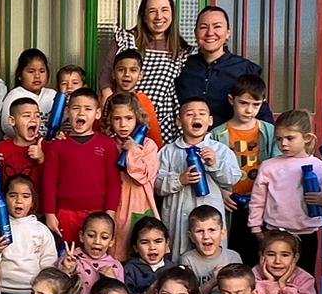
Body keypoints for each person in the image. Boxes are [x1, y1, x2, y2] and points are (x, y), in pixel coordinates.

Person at [157, 97, 241, 261]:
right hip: (178, 215)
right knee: (178, 255)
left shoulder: (220, 150)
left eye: (202, 114)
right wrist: (179, 180)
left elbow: (232, 178)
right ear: (179, 121)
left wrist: (214, 164)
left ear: (210, 121)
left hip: (210, 216)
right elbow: (157, 184)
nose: (196, 117)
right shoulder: (168, 151)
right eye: (189, 114)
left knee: (212, 254)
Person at [248, 109, 322, 271]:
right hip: (275, 232)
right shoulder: (269, 166)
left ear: (307, 138)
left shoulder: (319, 166)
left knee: (305, 276)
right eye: (279, 139)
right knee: (273, 274)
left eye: (290, 138)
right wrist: (255, 227)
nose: (283, 143)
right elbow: (258, 199)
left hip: (307, 234)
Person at [102, 0, 190, 133]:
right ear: (143, 16)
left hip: (162, 124)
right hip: (123, 121)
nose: (159, 16)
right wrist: (107, 101)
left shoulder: (182, 51)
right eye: (152, 11)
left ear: (172, 14)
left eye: (164, 10)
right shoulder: (126, 40)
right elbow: (107, 74)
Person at [40, 89, 121, 245]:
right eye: (76, 108)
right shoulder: (57, 145)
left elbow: (114, 182)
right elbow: (49, 181)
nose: (81, 113)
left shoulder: (107, 144)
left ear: (97, 113)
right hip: (65, 214)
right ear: (67, 111)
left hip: (98, 214)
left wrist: (110, 213)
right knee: (67, 255)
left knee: (96, 253)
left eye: (88, 109)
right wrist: (50, 213)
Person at [210, 73, 275, 263]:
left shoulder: (269, 131)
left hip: (261, 202)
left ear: (263, 103)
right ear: (232, 100)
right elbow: (209, 169)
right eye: (244, 103)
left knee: (261, 252)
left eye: (255, 105)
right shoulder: (217, 134)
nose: (249, 110)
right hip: (230, 201)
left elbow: (278, 166)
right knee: (232, 252)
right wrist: (221, 192)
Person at [176, 5, 273, 127]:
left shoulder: (246, 69)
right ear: (195, 33)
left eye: (217, 26)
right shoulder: (181, 66)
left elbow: (261, 111)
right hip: (186, 138)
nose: (210, 33)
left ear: (228, 33)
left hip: (231, 138)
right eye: (203, 27)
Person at [0, 176, 59, 294]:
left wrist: (43, 290)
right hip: (3, 292)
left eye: (25, 196)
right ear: (4, 199)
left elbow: (48, 264)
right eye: (13, 195)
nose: (19, 201)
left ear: (33, 201)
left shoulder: (41, 230)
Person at [108, 92, 160, 234]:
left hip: (140, 205)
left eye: (129, 118)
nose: (123, 124)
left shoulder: (148, 145)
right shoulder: (108, 145)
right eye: (117, 119)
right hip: (115, 207)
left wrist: (133, 151)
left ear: (137, 118)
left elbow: (142, 176)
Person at [253, 229, 317, 294]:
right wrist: (270, 283)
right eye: (271, 254)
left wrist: (283, 286)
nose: (277, 261)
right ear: (262, 256)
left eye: (285, 255)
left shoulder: (304, 279)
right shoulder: (254, 276)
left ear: (295, 258)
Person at [60, 211, 123, 294]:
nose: (97, 241)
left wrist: (113, 281)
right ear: (81, 236)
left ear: (112, 241)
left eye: (104, 237)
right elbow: (55, 288)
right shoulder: (72, 258)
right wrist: (66, 270)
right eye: (91, 235)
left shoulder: (115, 266)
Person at [100, 48, 165, 147]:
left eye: (133, 70)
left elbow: (155, 137)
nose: (127, 74)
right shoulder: (104, 100)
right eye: (121, 70)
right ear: (113, 74)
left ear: (140, 75)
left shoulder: (143, 101)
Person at [176, 205, 242, 294]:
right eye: (199, 231)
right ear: (191, 237)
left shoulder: (233, 257)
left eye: (212, 230)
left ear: (223, 234)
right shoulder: (187, 260)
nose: (206, 236)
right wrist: (213, 282)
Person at [1, 48, 55, 134]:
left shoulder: (53, 95)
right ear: (20, 75)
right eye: (31, 71)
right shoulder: (15, 96)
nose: (37, 76)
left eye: (42, 71)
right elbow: (6, 126)